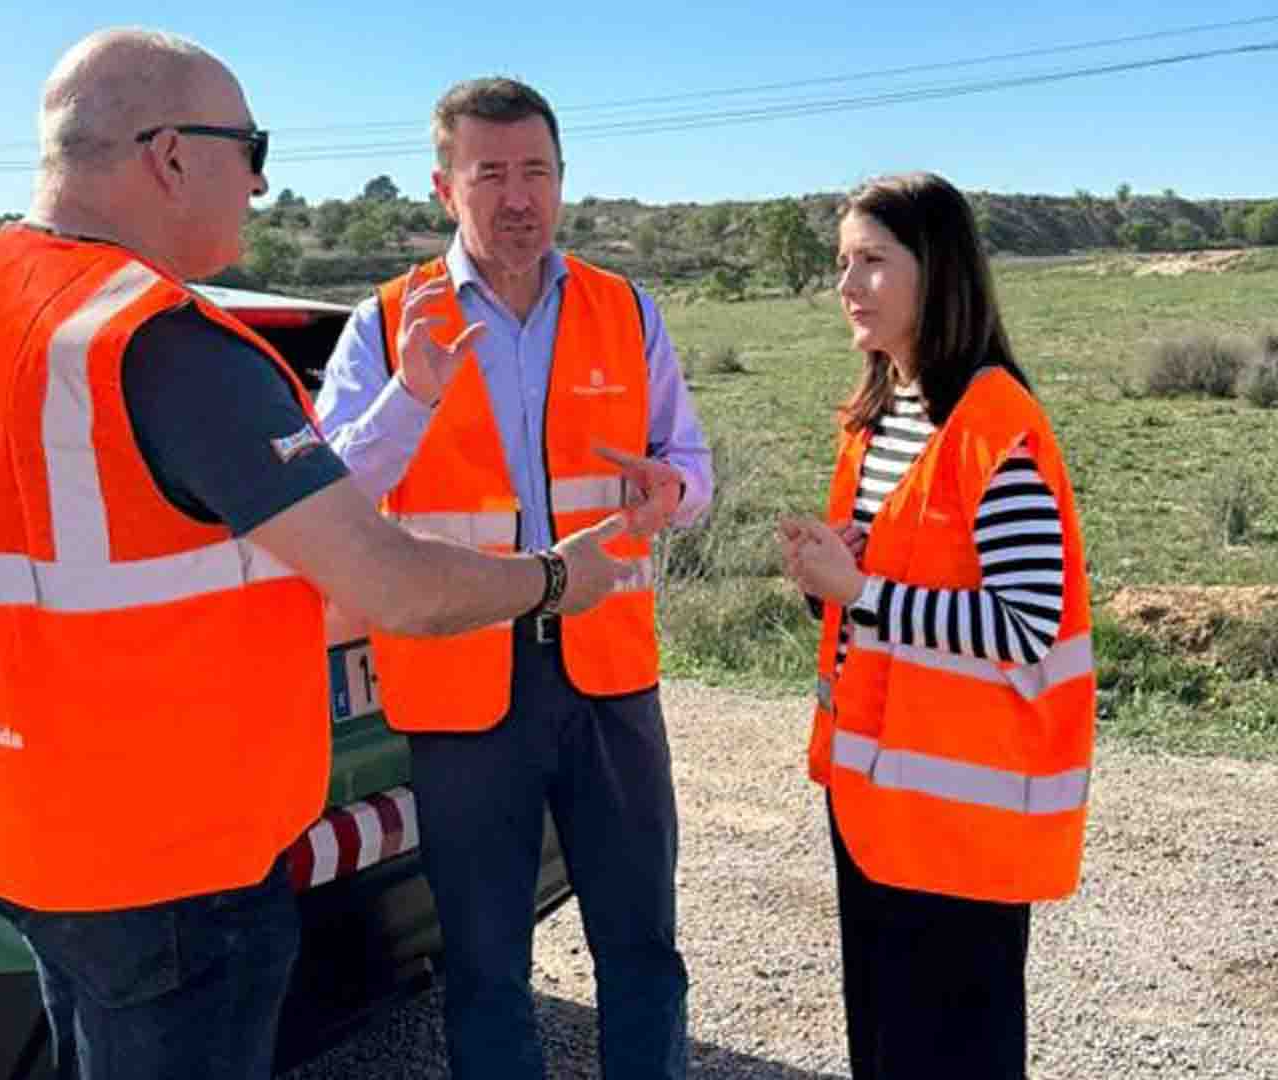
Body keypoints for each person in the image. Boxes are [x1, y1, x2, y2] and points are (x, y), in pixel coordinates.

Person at [0, 31, 629, 1080]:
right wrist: (558, 578)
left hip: (23, 829)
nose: (263, 182)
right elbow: (391, 586)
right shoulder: (164, 343)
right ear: (172, 155)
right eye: (251, 146)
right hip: (171, 862)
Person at [316, 76, 711, 1079]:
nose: (517, 195)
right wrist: (411, 395)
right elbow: (331, 499)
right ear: (446, 187)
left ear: (563, 182)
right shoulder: (391, 321)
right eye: (490, 172)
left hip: (609, 678)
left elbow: (693, 470)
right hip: (463, 688)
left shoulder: (627, 311)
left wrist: (676, 491)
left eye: (536, 170)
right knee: (487, 967)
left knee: (643, 951)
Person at [777, 172, 1096, 1079]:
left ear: (939, 273)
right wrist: (826, 578)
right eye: (843, 262)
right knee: (885, 1045)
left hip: (963, 822)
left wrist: (862, 588)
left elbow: (1026, 622)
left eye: (873, 261)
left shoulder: (994, 427)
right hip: (875, 801)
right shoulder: (880, 419)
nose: (848, 285)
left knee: (954, 1055)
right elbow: (887, 589)